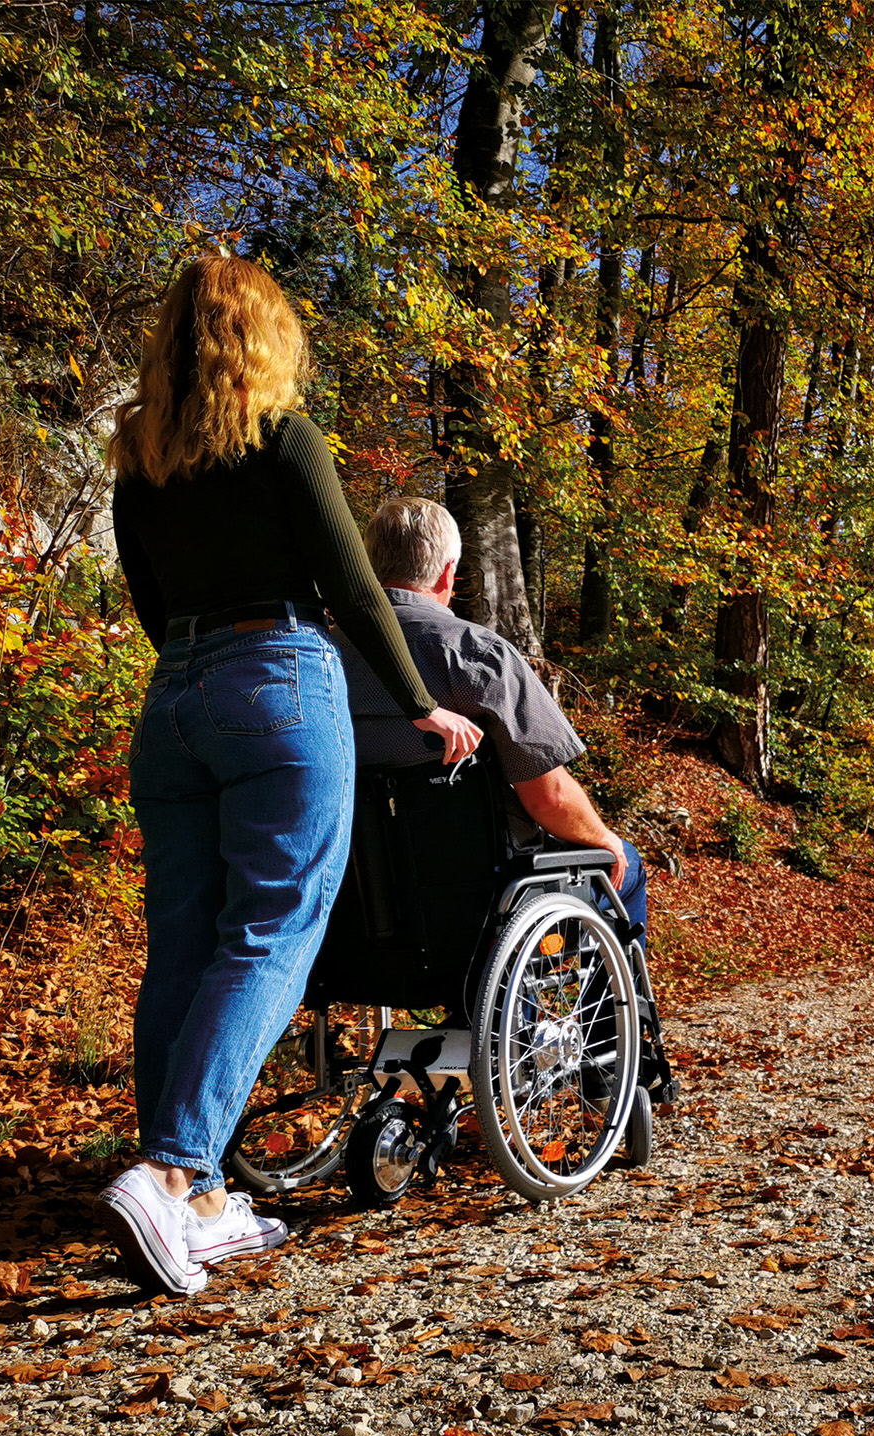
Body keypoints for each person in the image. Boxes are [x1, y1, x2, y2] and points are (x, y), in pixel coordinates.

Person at [101, 256, 480, 1297]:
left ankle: (203, 1196)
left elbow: (145, 595)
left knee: (180, 944)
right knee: (271, 930)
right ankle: (173, 1170)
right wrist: (419, 703)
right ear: (266, 337)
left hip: (173, 696)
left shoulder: (137, 455)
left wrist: (193, 667)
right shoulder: (281, 436)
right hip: (276, 676)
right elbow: (355, 587)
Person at [337, 498, 646, 938]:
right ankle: (611, 1005)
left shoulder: (321, 656)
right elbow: (548, 798)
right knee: (624, 864)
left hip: (361, 905)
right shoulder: (476, 654)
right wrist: (606, 841)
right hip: (483, 899)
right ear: (447, 573)